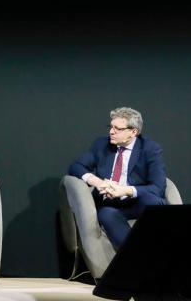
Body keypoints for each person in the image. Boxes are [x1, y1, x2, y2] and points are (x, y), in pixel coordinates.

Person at [67, 106, 168, 249]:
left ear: (133, 132)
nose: (111, 131)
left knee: (155, 202)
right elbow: (76, 166)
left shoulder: (150, 149)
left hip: (135, 201)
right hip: (109, 204)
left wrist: (125, 190)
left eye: (118, 129)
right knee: (107, 214)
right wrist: (98, 182)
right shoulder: (101, 144)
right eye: (111, 126)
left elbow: (158, 188)